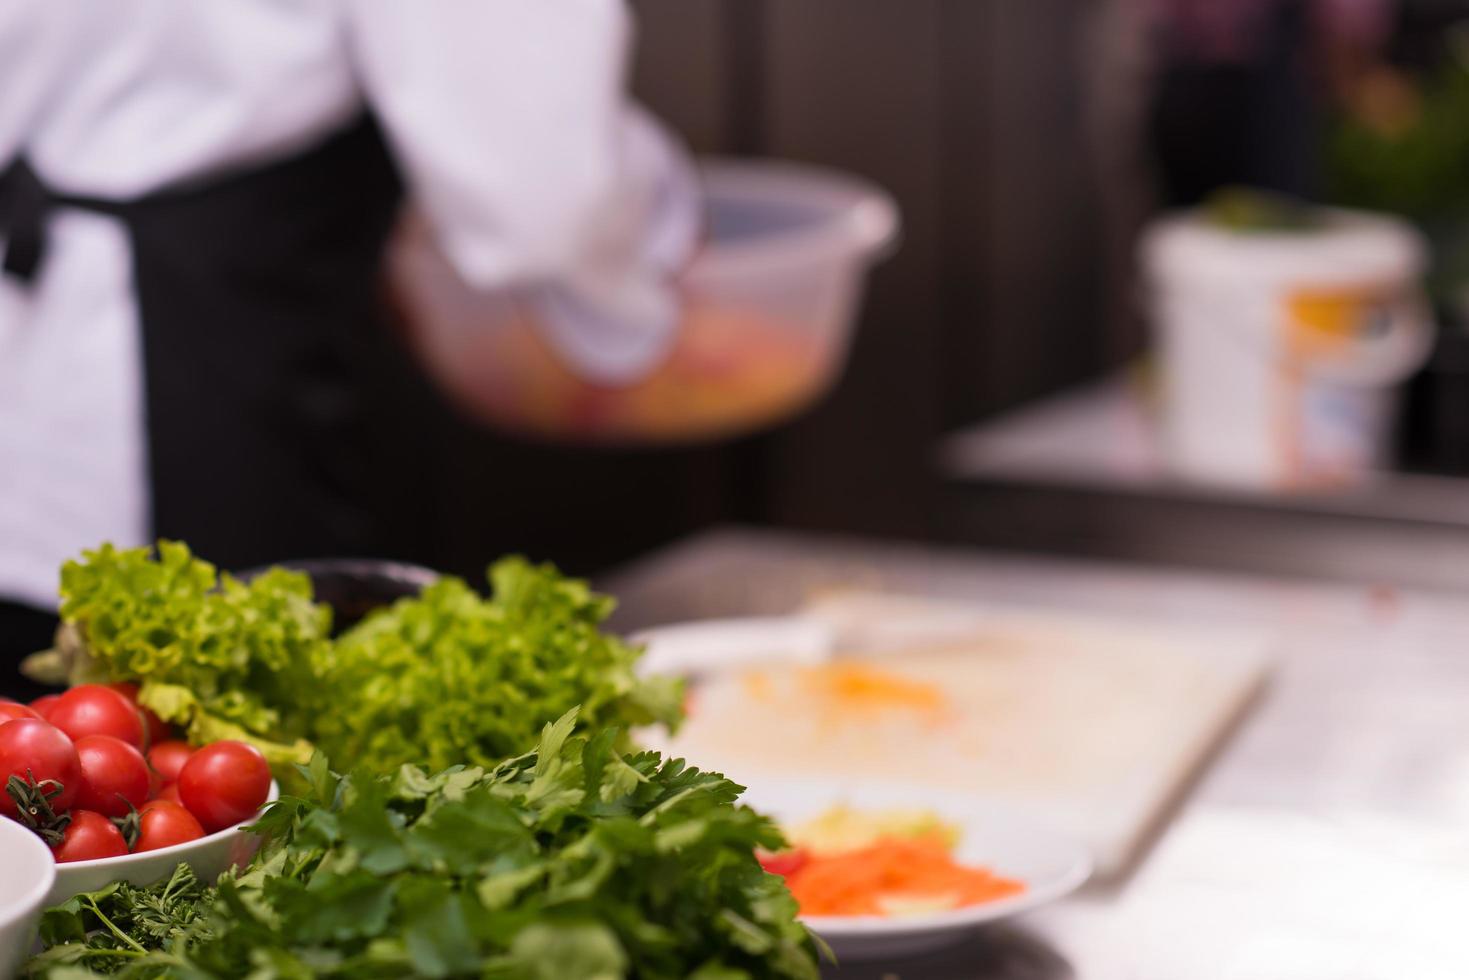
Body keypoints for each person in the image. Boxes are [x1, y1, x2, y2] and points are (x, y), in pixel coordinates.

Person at [0, 2, 704, 699]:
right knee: (267, 772)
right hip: (225, 414)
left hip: (39, 417)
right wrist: (647, 275)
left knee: (50, 774)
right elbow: (539, 193)